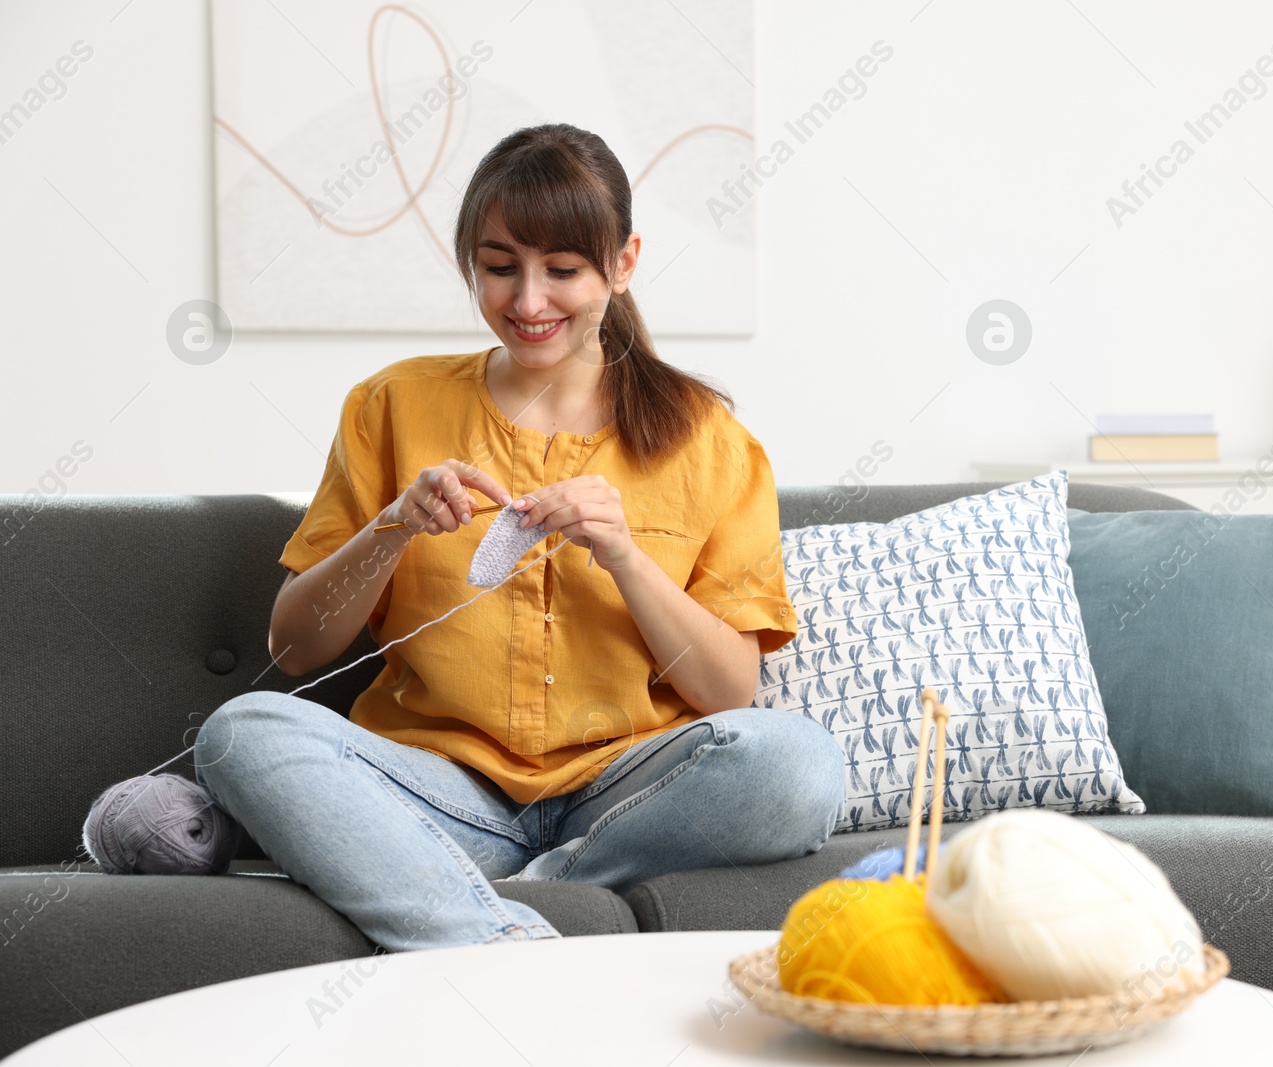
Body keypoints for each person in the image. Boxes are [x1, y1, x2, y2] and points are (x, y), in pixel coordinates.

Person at [194, 124, 846, 953]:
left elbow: (730, 695)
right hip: (437, 794)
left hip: (629, 799)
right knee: (242, 731)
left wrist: (624, 555)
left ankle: (500, 896)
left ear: (624, 263)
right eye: (500, 267)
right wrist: (392, 526)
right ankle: (507, 946)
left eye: (563, 270)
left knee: (798, 762)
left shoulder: (710, 441)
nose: (528, 302)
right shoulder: (389, 405)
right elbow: (294, 650)